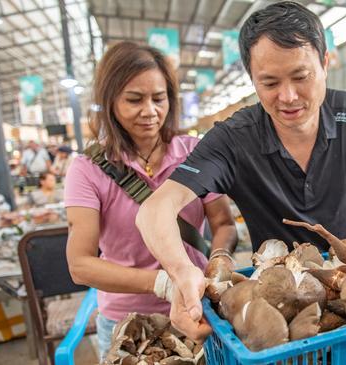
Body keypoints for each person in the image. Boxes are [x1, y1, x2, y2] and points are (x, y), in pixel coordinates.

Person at [136, 1, 346, 342]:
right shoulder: (232, 139)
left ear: (324, 64)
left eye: (301, 76)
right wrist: (181, 272)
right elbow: (154, 211)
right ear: (252, 80)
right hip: (278, 305)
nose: (288, 96)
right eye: (269, 83)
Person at [64, 41, 237, 359]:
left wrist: (216, 265)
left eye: (159, 99)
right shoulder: (87, 169)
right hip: (130, 321)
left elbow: (223, 223)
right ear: (110, 101)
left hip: (199, 310)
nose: (150, 111)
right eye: (134, 100)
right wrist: (164, 284)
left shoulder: (194, 153)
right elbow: (80, 265)